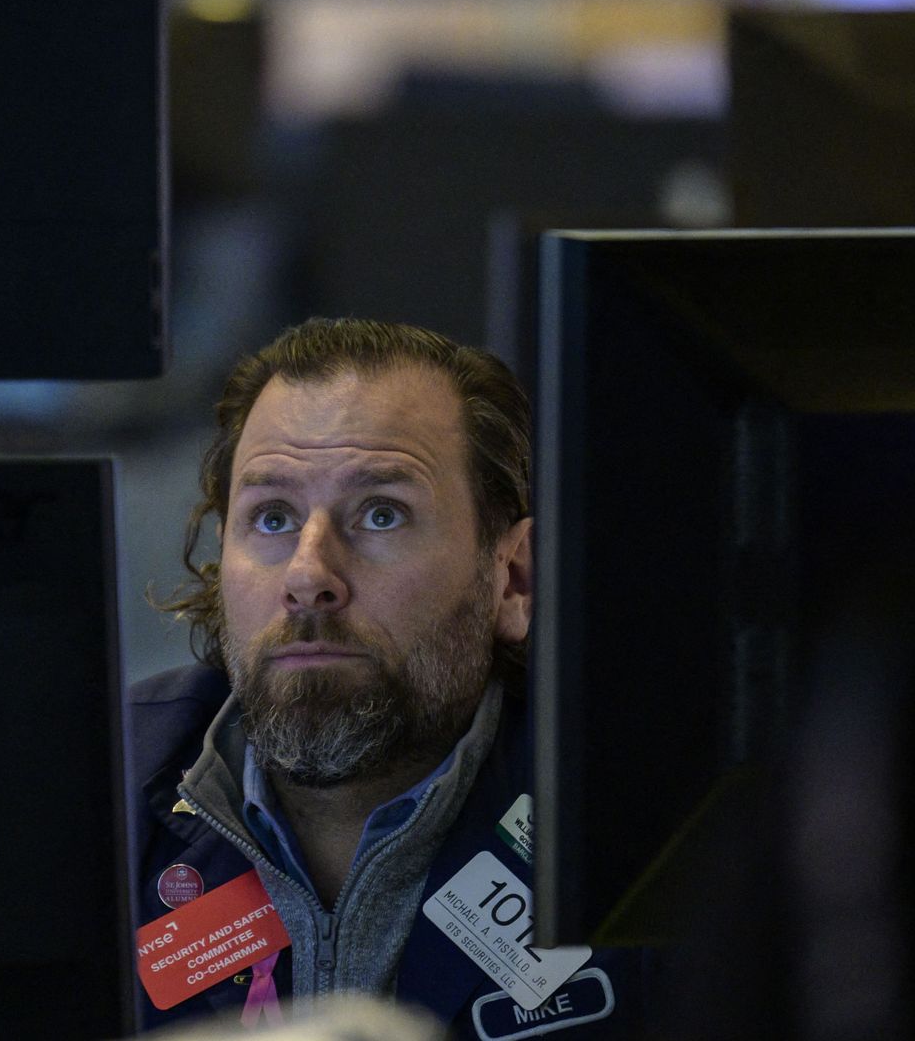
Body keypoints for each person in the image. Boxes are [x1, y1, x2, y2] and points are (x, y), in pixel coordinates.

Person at [130, 318, 651, 1036]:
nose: (309, 575)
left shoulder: (644, 818)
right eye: (273, 516)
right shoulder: (93, 785)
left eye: (382, 514)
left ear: (514, 577)